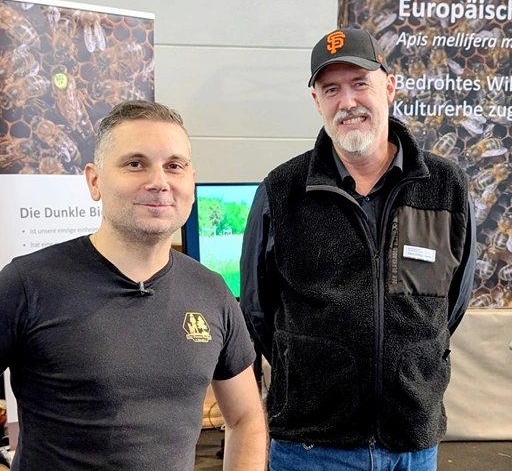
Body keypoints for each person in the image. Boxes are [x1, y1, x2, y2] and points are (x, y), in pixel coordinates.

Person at [240, 28, 476, 471]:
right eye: (331, 89)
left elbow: (452, 302)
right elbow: (257, 308)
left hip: (412, 440)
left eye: (359, 83)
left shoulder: (446, 188)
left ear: (389, 86)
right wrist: (312, 367)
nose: (347, 102)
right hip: (311, 445)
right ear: (316, 102)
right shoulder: (281, 190)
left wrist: (409, 361)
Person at [0, 100, 267, 470]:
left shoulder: (211, 292)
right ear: (94, 181)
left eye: (174, 166)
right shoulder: (27, 284)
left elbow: (246, 419)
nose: (159, 182)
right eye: (135, 163)